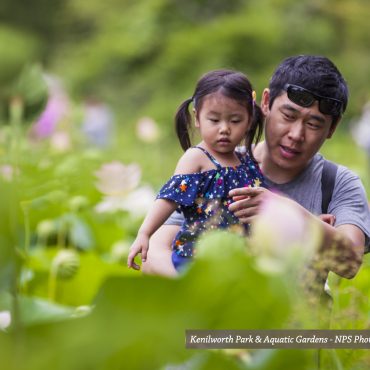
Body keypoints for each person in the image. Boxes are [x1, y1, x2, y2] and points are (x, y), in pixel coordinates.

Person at [142, 55, 370, 280]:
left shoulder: (339, 182)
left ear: (332, 128)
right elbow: (154, 251)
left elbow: (350, 263)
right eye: (288, 116)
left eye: (313, 124)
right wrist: (196, 293)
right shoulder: (215, 167)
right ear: (265, 102)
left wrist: (290, 216)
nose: (296, 135)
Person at [127, 69, 266, 271]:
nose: (224, 128)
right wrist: (144, 233)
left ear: (249, 121)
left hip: (238, 261)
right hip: (196, 260)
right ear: (197, 118)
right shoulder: (197, 158)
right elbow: (169, 198)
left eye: (235, 120)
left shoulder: (246, 160)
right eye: (214, 120)